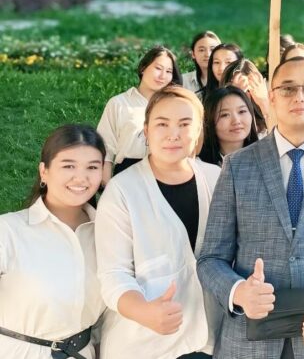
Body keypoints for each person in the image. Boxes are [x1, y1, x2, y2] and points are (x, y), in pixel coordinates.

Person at [197, 56, 304, 358]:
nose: (299, 97)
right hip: (250, 342)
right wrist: (239, 292)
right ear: (272, 96)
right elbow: (210, 259)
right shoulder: (238, 165)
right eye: (288, 88)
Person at [96, 86, 221, 358]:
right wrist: (143, 311)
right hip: (144, 343)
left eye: (185, 124)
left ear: (198, 131)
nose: (173, 134)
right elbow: (113, 273)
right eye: (162, 124)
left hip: (207, 339)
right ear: (146, 130)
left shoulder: (215, 179)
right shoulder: (122, 191)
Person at [0, 124, 106, 359]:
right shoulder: (7, 231)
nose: (81, 177)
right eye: (68, 166)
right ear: (44, 171)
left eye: (92, 167)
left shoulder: (109, 235)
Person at [97, 46, 181, 184]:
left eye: (168, 71)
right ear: (143, 68)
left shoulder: (174, 106)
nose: (162, 76)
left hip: (164, 174)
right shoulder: (118, 103)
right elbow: (105, 149)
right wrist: (107, 188)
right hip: (126, 174)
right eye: (158, 68)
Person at [199, 85, 259, 166]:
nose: (236, 121)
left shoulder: (265, 156)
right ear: (209, 121)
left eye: (241, 111)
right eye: (225, 115)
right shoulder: (200, 167)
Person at [222, 58, 271, 137]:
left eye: (248, 90)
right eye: (236, 91)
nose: (244, 97)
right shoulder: (220, 117)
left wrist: (263, 103)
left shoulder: (269, 115)